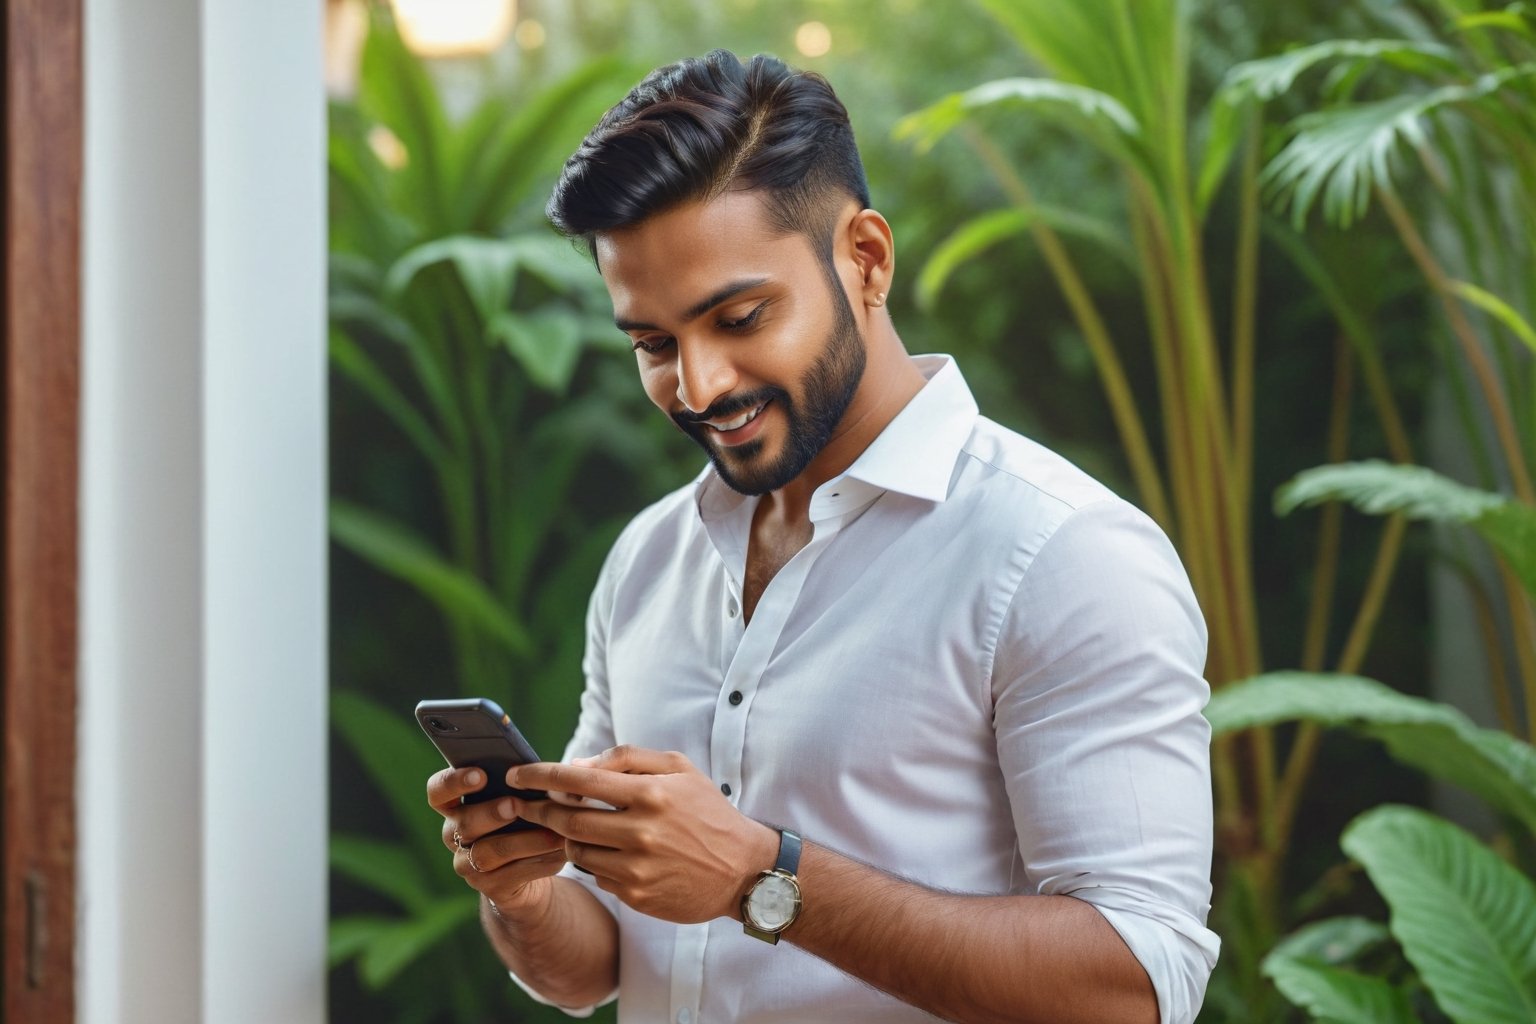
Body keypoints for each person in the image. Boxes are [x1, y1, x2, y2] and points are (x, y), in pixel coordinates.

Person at [426, 49, 1219, 1024]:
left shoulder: (1065, 555)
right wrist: (525, 894)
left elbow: (1138, 987)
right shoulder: (648, 558)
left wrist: (764, 876)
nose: (701, 384)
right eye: (655, 344)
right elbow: (594, 966)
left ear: (867, 259)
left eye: (741, 315)